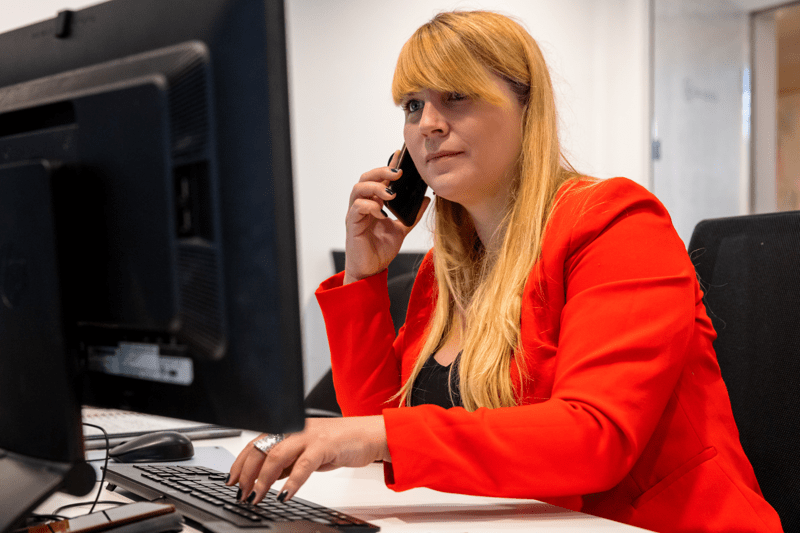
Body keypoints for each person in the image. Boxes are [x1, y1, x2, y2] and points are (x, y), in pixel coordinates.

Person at [228, 10, 783, 533]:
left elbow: (594, 437)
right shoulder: (448, 268)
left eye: (456, 96)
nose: (428, 125)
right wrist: (363, 278)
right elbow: (378, 428)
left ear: (526, 106)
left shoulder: (616, 223)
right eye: (413, 105)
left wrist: (375, 435)